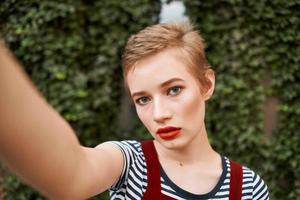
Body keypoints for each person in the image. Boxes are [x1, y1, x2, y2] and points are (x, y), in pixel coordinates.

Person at [0, 22, 269, 199]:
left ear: (206, 84)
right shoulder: (131, 165)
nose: (159, 113)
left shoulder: (248, 187)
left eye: (173, 90)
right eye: (143, 99)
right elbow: (73, 174)